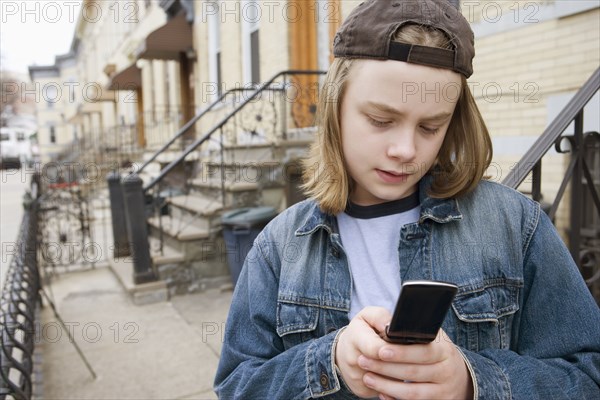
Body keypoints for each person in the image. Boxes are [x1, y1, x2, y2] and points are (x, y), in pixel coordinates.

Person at [214, 0, 600, 398]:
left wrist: (471, 383)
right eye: (381, 121)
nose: (405, 150)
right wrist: (328, 362)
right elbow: (236, 385)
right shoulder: (278, 246)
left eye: (431, 127)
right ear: (335, 108)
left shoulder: (516, 225)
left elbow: (588, 374)